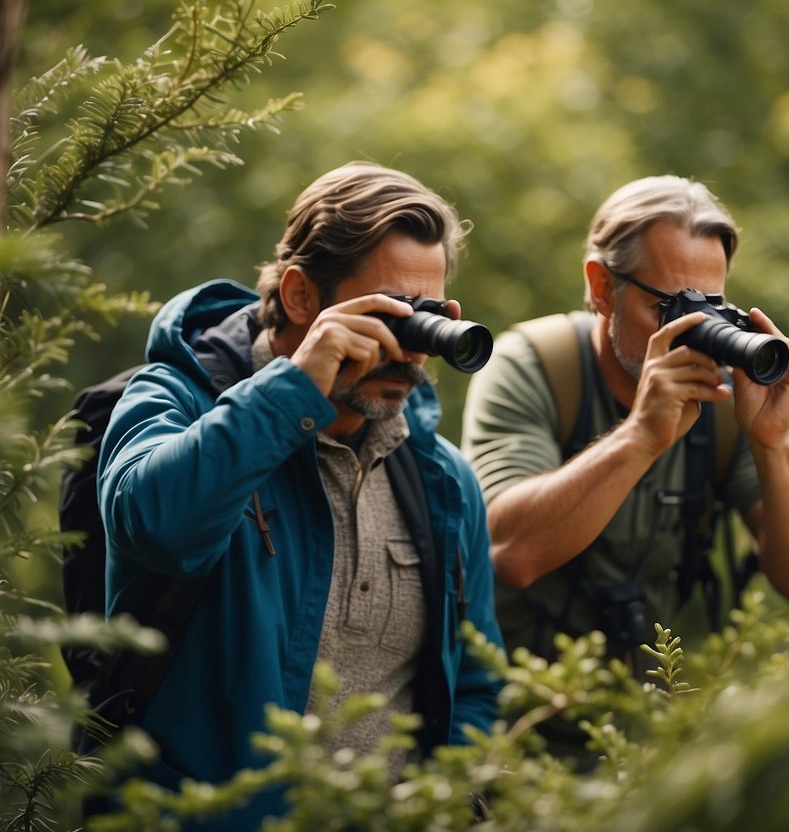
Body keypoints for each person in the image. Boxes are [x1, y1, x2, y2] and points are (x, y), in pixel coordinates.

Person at [97, 162, 505, 829]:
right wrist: (294, 389)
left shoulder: (441, 477)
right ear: (299, 298)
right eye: (388, 314)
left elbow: (477, 682)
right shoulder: (170, 399)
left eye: (425, 315)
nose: (408, 350)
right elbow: (157, 525)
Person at [460, 175, 789, 706]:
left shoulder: (724, 397)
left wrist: (772, 442)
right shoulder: (535, 368)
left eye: (709, 305)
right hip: (516, 720)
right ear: (601, 287)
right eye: (670, 307)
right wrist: (642, 434)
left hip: (656, 723)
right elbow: (511, 552)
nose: (691, 331)